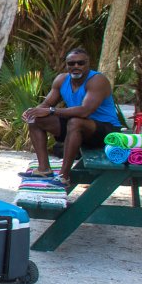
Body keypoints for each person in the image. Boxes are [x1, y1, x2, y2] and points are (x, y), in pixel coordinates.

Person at [21, 48, 122, 189]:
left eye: (80, 63)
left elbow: (85, 111)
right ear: (66, 65)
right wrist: (33, 112)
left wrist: (50, 110)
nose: (76, 66)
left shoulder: (97, 80)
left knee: (76, 122)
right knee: (36, 120)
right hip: (77, 127)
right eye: (71, 63)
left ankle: (63, 176)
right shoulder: (61, 80)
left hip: (107, 132)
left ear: (88, 64)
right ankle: (44, 169)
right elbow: (47, 104)